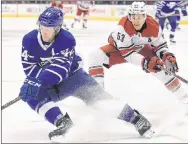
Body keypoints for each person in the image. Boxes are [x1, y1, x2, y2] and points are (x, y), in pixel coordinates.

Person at [19, 7, 155, 140]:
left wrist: (38, 82)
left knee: (101, 101)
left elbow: (59, 70)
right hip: (48, 83)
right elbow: (29, 67)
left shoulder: (67, 39)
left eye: (48, 29)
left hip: (74, 79)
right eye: (42, 27)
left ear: (57, 28)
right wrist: (33, 82)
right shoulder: (29, 39)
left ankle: (136, 118)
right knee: (30, 94)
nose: (44, 32)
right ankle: (62, 123)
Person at [88, 2, 188, 116]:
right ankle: (99, 99)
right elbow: (128, 54)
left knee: (162, 69)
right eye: (133, 16)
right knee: (95, 56)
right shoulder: (122, 27)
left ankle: (185, 101)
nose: (136, 20)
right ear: (129, 16)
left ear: (145, 16)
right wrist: (145, 62)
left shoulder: (153, 25)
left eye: (140, 17)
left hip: (141, 47)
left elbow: (160, 46)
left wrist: (167, 56)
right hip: (120, 50)